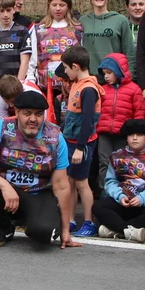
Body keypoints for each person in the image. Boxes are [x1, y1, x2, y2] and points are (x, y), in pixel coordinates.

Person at [0, 91, 81, 249]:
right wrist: (4, 186)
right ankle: (5, 227)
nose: (33, 119)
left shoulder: (55, 137)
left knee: (43, 235)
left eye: (38, 114)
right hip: (7, 191)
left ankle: (33, 221)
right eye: (27, 113)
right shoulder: (0, 128)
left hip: (38, 193)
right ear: (17, 112)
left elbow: (61, 185)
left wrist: (66, 229)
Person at [94, 119, 145, 243]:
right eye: (131, 135)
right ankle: (130, 232)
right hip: (124, 201)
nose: (134, 138)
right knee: (98, 206)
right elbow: (110, 182)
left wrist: (143, 198)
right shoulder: (117, 156)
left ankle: (116, 230)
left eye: (139, 135)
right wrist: (120, 196)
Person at [59, 45, 102, 237]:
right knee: (70, 181)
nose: (65, 72)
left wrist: (80, 147)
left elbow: (88, 121)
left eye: (66, 68)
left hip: (81, 143)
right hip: (70, 140)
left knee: (82, 182)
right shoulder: (77, 81)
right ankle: (70, 220)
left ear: (75, 66)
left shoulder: (89, 89)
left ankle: (88, 222)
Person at [30, 0, 84, 121]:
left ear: (68, 6)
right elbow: (33, 58)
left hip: (70, 86)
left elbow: (81, 57)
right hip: (45, 87)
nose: (58, 9)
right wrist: (31, 80)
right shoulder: (38, 28)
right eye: (54, 5)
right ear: (49, 5)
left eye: (62, 5)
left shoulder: (77, 29)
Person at [94, 53, 145, 189]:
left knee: (123, 163)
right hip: (104, 133)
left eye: (109, 72)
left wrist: (135, 133)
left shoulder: (134, 89)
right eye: (104, 73)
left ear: (118, 71)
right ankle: (105, 190)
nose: (106, 76)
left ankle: (122, 191)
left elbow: (139, 113)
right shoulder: (102, 90)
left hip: (123, 135)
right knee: (104, 163)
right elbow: (97, 110)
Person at [80, 0, 135, 76]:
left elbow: (129, 53)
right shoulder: (82, 21)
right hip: (89, 78)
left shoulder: (120, 20)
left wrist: (130, 76)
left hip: (114, 77)